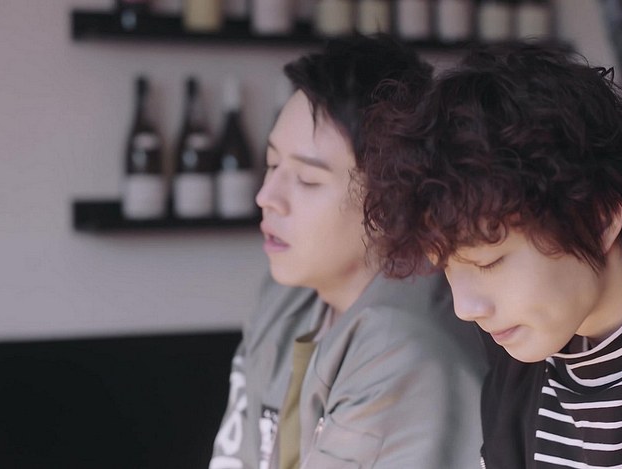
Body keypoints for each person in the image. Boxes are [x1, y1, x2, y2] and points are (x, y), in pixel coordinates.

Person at [361, 41, 622, 468]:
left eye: (488, 263)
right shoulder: (521, 365)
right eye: (447, 267)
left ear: (599, 220)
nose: (465, 307)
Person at [208, 35, 486, 469]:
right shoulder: (288, 295)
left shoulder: (406, 350)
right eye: (272, 164)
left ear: (391, 199)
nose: (266, 197)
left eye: (307, 180)